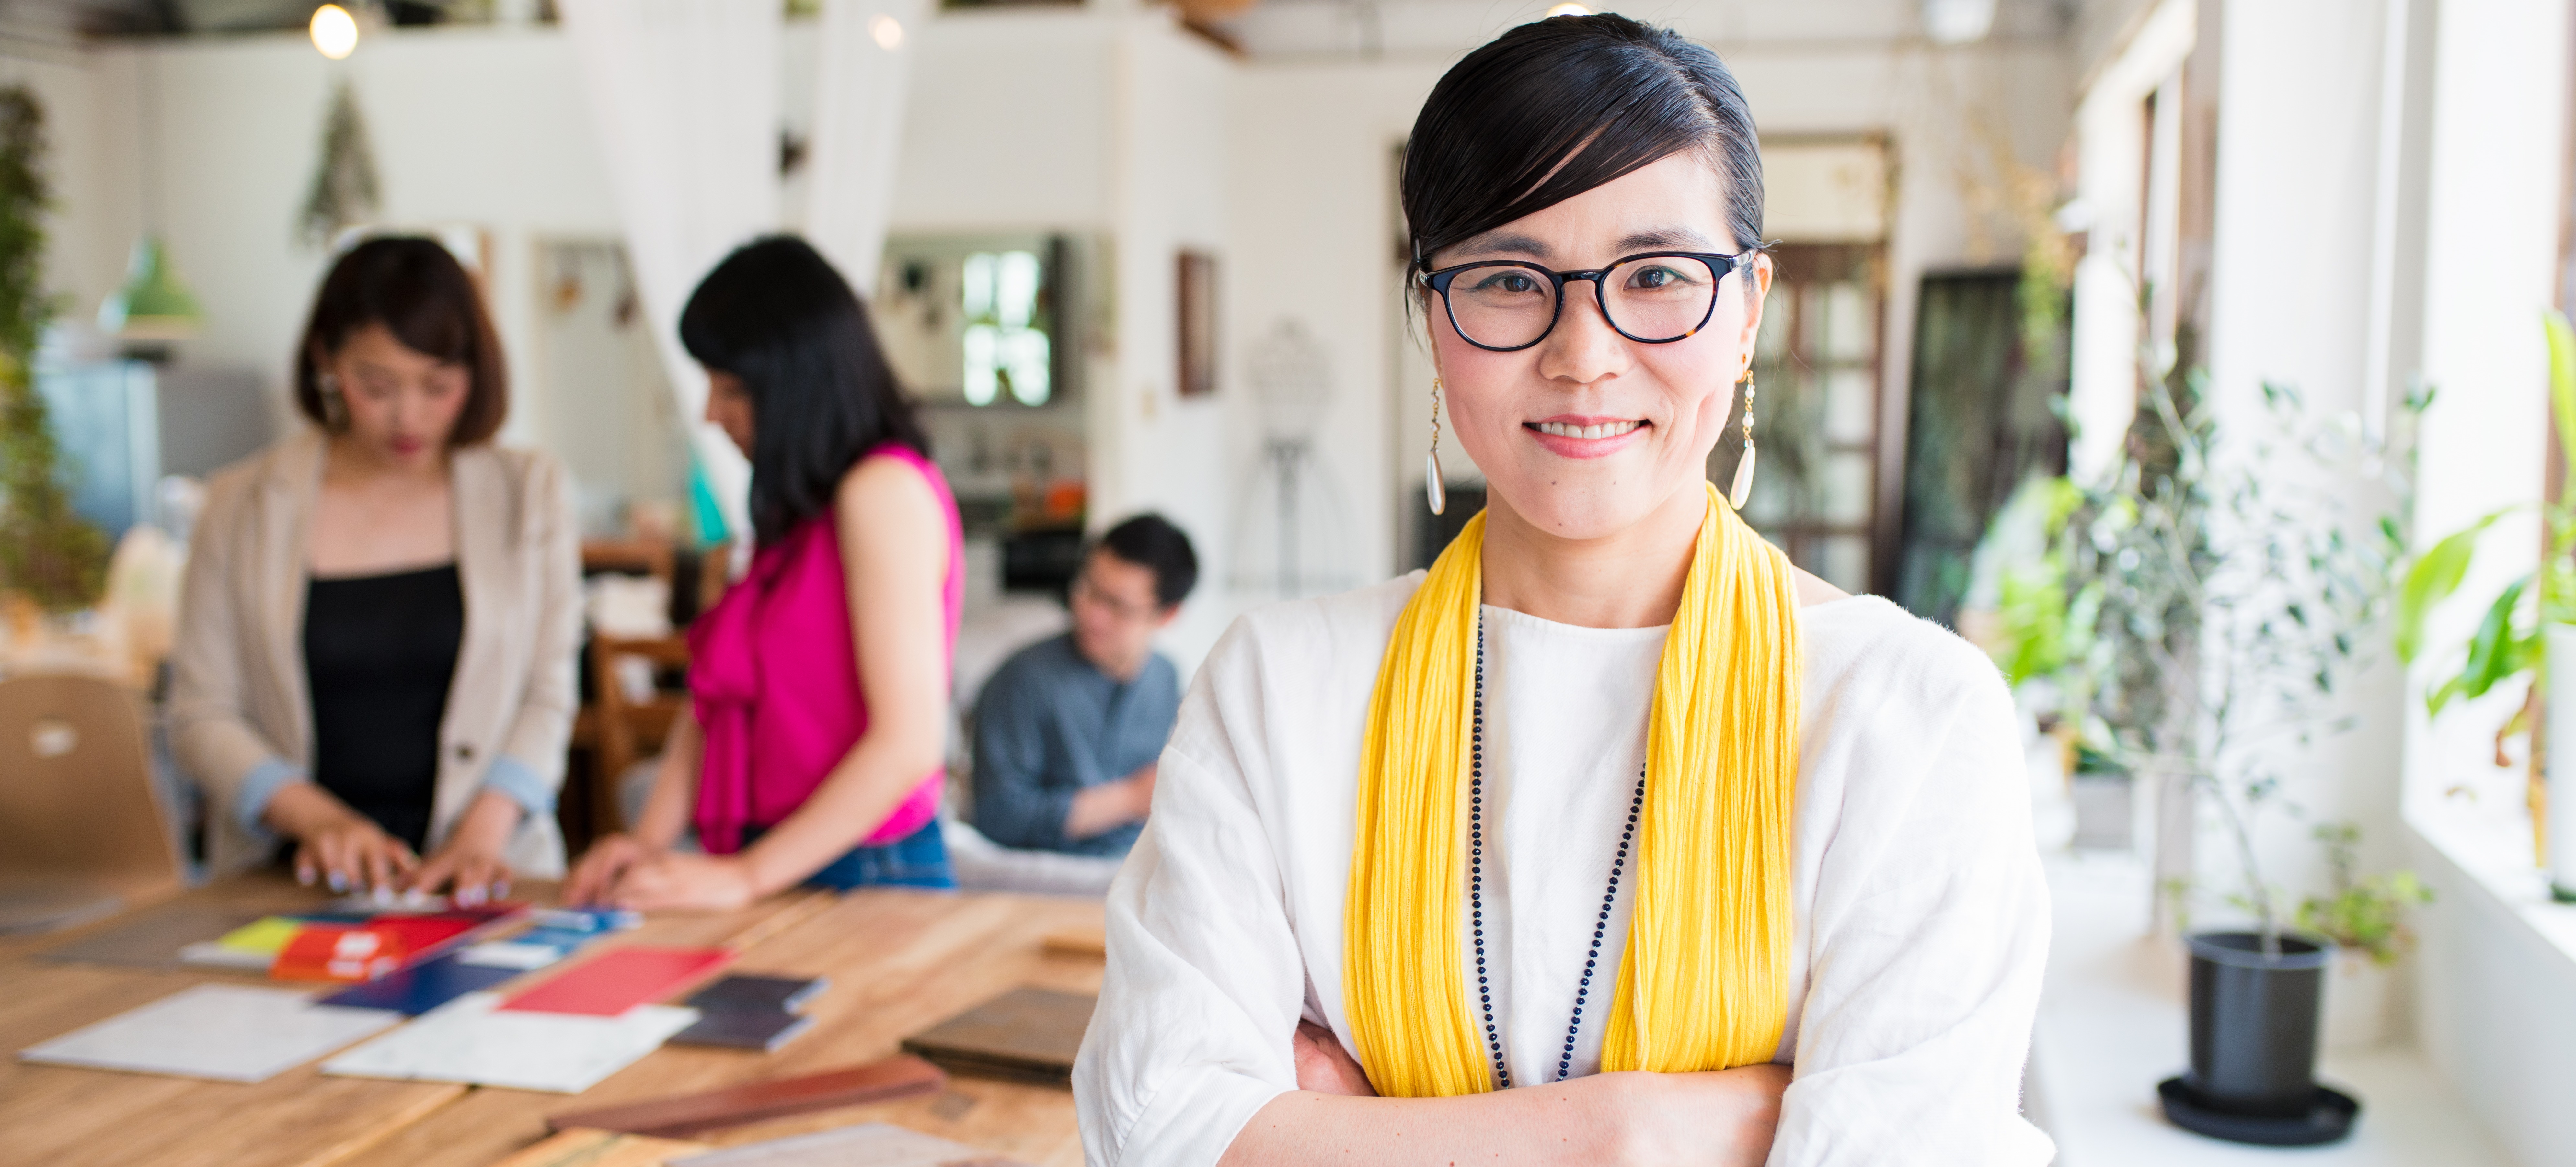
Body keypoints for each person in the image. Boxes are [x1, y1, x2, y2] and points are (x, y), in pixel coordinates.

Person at [1072, 15, 2052, 1167]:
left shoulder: (1908, 713)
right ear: (1430, 318)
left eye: (1653, 275)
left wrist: (1350, 1125)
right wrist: (1639, 1129)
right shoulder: (1278, 688)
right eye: (1504, 278)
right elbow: (1159, 1125)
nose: (1582, 351)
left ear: (1746, 310)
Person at [170, 236, 581, 898]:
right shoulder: (239, 504)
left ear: (475, 373)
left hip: (487, 871)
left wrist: (480, 835)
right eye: (377, 385)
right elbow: (202, 713)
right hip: (292, 876)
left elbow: (547, 694)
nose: (408, 416)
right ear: (324, 360)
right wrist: (320, 821)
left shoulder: (528, 491)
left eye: (437, 386)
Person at [564, 236, 965, 909]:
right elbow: (713, 703)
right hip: (785, 862)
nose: (710, 414)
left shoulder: (882, 491)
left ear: (799, 386)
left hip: (867, 873)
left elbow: (907, 745)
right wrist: (649, 844)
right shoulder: (800, 516)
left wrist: (746, 875)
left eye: (731, 390)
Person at [970, 514, 1198, 858]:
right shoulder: (1024, 678)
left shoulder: (1165, 678)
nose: (1093, 615)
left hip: (1140, 873)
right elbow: (997, 814)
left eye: (1118, 606)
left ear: (1167, 615)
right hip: (1049, 882)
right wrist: (1130, 799)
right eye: (1089, 589)